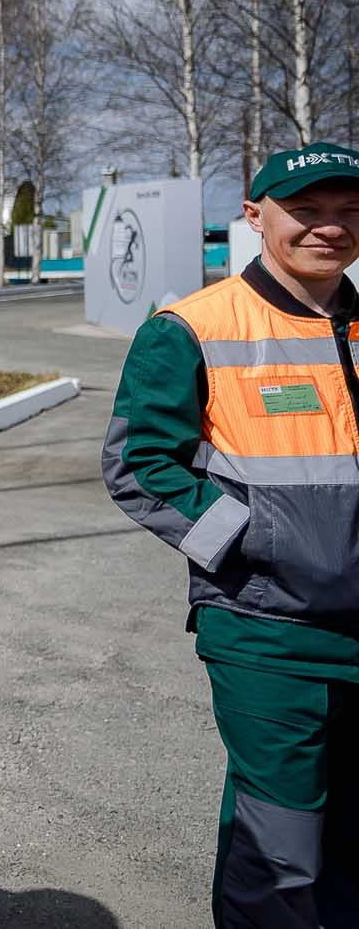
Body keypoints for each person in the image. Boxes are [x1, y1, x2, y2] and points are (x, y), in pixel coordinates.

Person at [105, 140, 359, 929]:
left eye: (348, 211)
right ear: (255, 216)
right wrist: (258, 542)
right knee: (280, 847)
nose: (330, 227)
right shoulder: (193, 327)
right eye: (306, 210)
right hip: (267, 628)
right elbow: (139, 465)